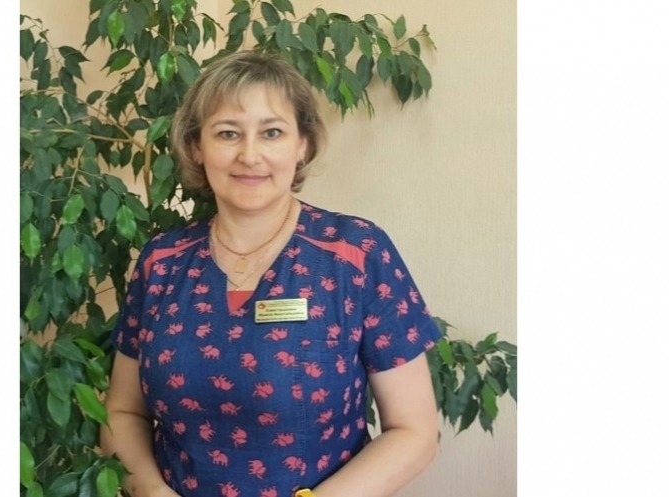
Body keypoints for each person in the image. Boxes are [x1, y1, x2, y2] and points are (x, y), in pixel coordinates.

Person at [102, 51, 441, 497]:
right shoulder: (162, 262)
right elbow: (123, 412)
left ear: (302, 144)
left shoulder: (355, 254)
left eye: (272, 132)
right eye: (228, 133)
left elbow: (414, 431)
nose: (249, 155)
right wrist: (151, 491)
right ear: (197, 147)